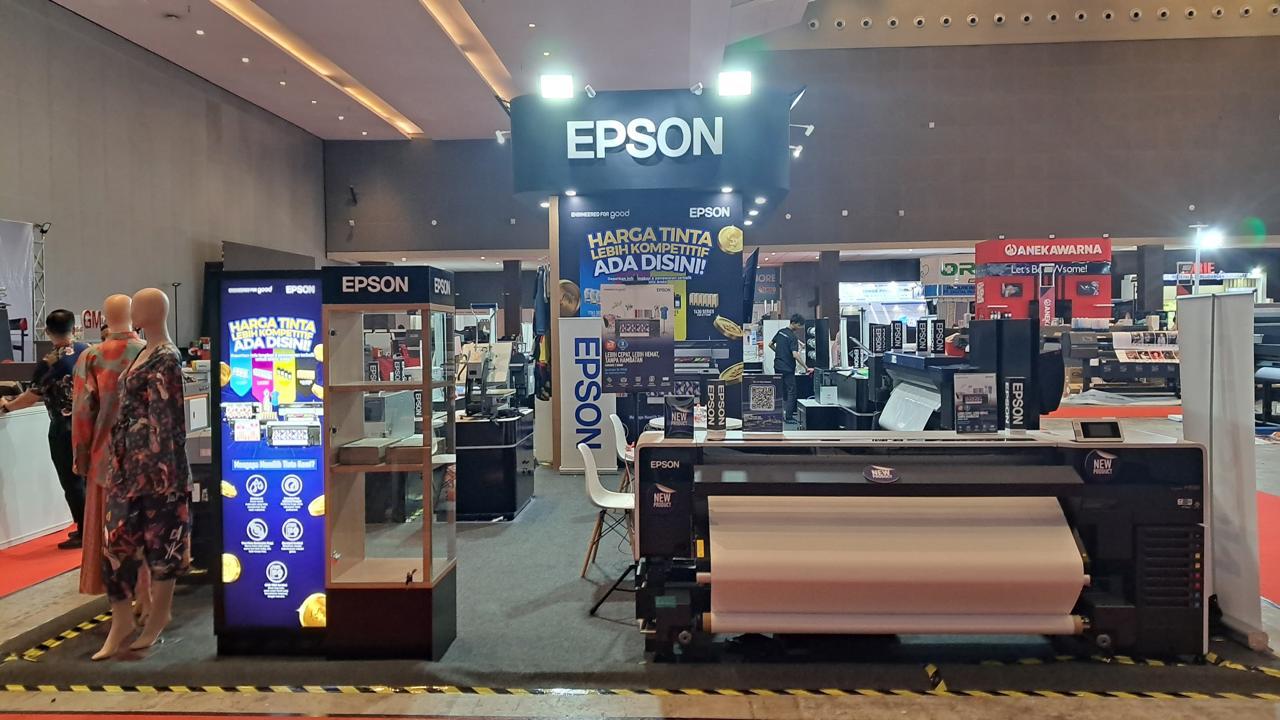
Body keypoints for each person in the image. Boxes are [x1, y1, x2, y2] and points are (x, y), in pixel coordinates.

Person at [72, 295, 145, 597]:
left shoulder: (92, 357)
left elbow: (82, 412)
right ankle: (146, 595)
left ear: (104, 317)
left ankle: (115, 595)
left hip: (106, 459)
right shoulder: (150, 352)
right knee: (145, 529)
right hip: (147, 459)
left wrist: (81, 459)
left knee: (107, 531)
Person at [0, 310, 89, 549]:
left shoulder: (49, 363)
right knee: (87, 478)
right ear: (74, 328)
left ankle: (85, 532)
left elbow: (32, 396)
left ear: (47, 331)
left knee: (71, 481)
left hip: (63, 428)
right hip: (88, 424)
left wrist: (7, 406)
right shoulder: (87, 351)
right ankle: (92, 527)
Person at [769, 314, 805, 423]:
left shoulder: (780, 332)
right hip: (788, 368)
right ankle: (788, 417)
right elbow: (795, 355)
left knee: (780, 390)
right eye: (799, 325)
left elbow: (770, 344)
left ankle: (777, 415)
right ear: (794, 323)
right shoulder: (793, 337)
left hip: (777, 366)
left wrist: (779, 353)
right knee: (791, 392)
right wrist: (806, 367)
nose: (800, 327)